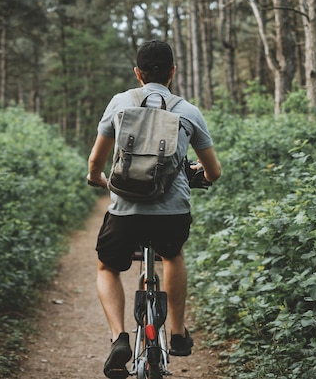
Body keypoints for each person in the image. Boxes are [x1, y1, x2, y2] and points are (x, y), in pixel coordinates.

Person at [87, 39, 222, 379]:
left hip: (125, 212)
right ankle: (177, 333)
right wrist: (200, 176)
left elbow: (95, 161)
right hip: (172, 213)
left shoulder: (119, 103)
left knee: (106, 267)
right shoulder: (188, 111)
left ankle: (119, 337)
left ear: (138, 73)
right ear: (173, 72)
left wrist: (97, 179)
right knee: (172, 255)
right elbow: (214, 171)